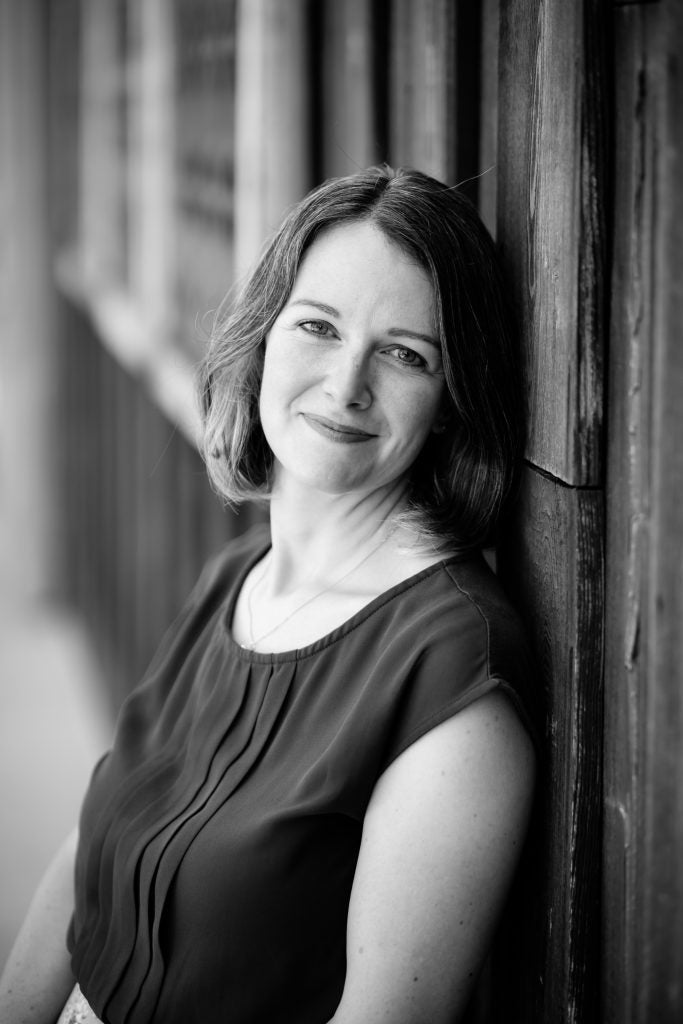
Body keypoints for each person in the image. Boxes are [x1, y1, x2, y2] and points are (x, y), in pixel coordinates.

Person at [0, 165, 537, 1024]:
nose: (345, 384)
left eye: (405, 354)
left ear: (448, 402)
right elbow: (85, 852)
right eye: (318, 327)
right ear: (263, 336)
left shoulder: (453, 685)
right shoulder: (237, 581)